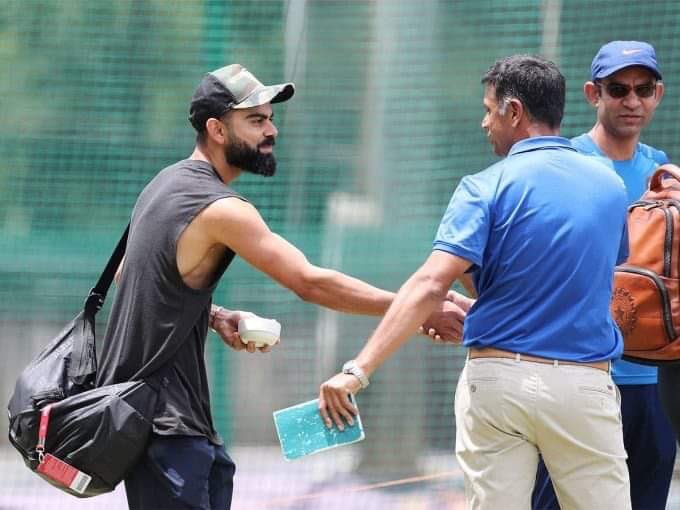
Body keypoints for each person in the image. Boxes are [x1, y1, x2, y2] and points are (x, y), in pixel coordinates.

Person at [95, 64, 469, 510]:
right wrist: (418, 308)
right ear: (216, 129)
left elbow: (126, 270)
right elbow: (311, 283)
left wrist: (213, 315)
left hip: (166, 424)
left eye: (270, 118)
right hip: (166, 427)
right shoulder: (220, 207)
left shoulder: (163, 184)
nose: (271, 130)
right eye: (256, 120)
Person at [319, 54, 632, 510]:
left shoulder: (482, 186)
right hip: (582, 385)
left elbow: (429, 283)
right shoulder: (609, 186)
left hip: (498, 381)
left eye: (489, 110)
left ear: (514, 112)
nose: (485, 122)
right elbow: (581, 272)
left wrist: (357, 370)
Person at [531, 40, 676, 510]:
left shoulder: (666, 177)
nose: (632, 101)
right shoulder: (562, 164)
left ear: (658, 93)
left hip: (654, 382)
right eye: (618, 89)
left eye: (643, 88)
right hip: (581, 378)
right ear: (594, 93)